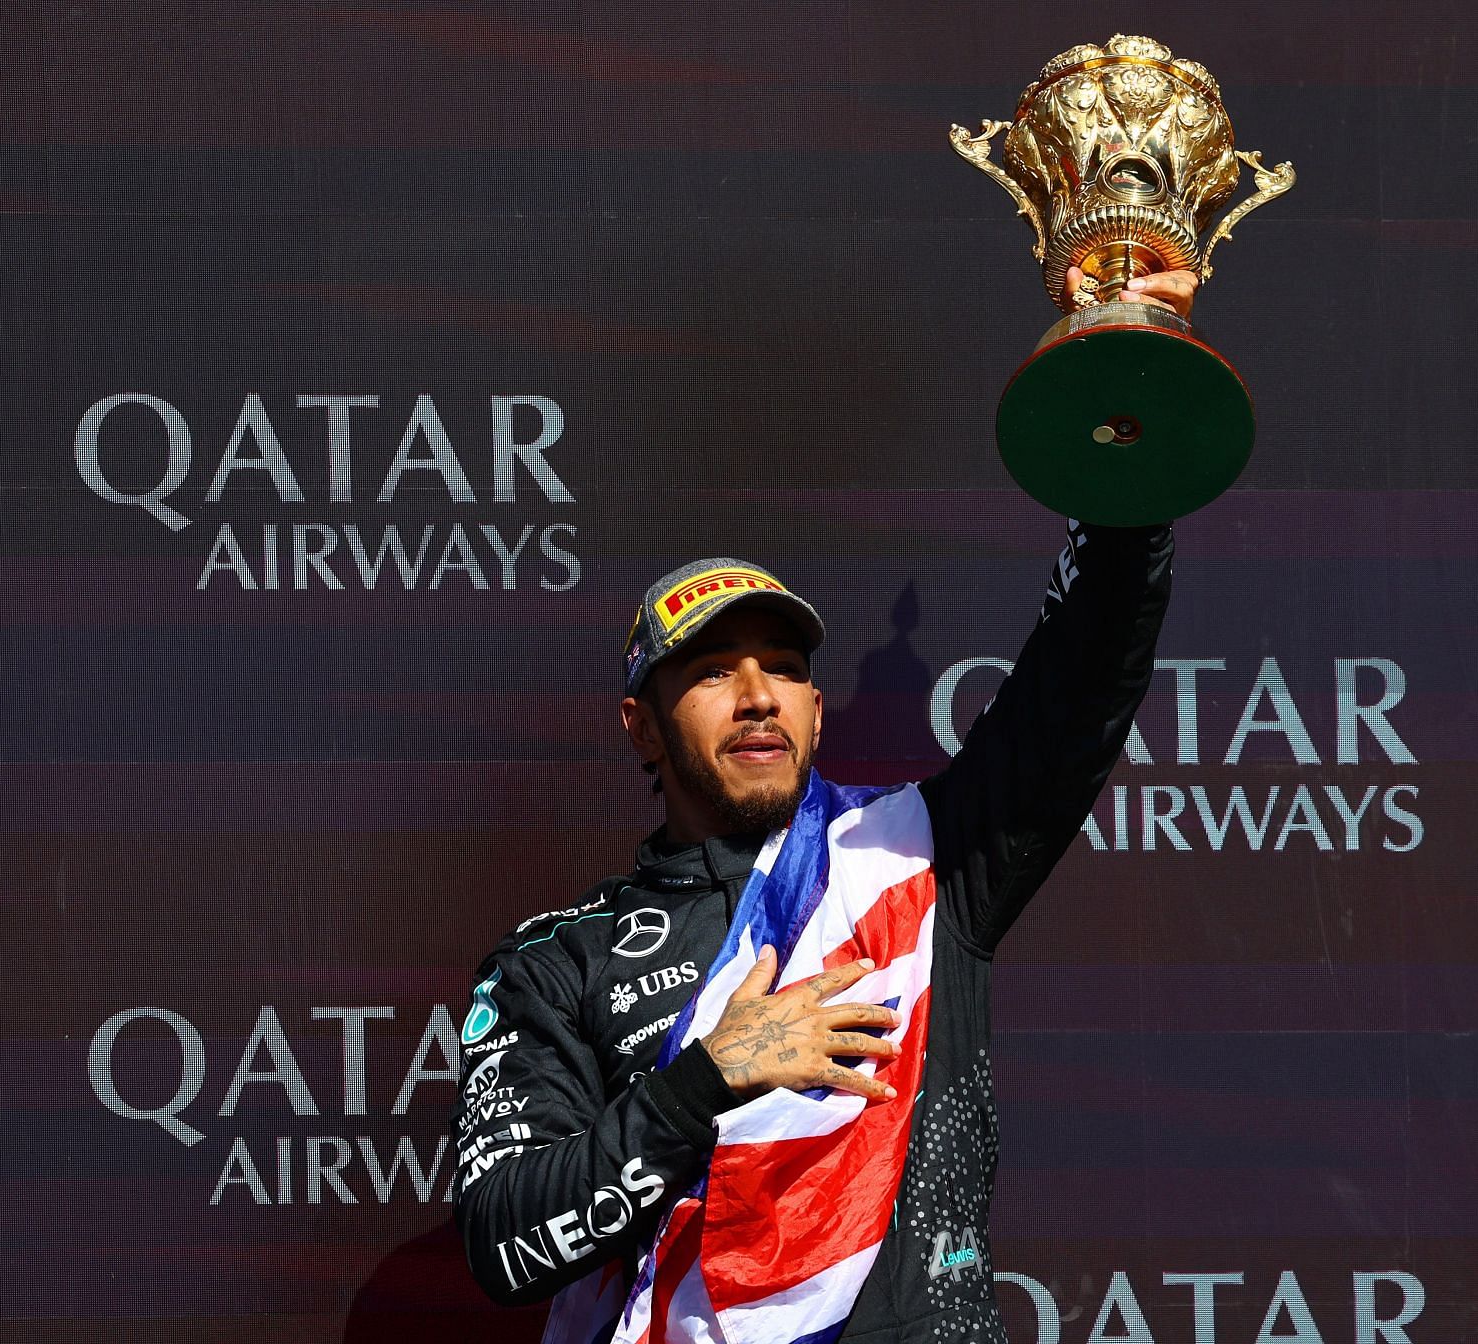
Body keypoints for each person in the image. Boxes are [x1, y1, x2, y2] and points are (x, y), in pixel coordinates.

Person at [452, 267, 1193, 1344]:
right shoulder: (554, 964)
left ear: (813, 701)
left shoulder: (919, 857)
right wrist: (702, 1082)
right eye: (710, 672)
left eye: (783, 666)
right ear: (641, 727)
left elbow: (1084, 679)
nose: (757, 695)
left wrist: (1128, 374)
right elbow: (504, 1246)